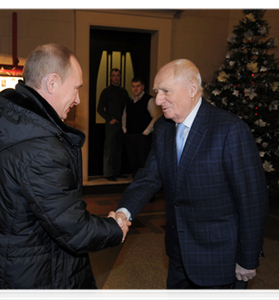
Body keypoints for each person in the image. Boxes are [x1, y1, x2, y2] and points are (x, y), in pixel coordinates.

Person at [0, 44, 131, 300]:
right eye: (76, 88)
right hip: (27, 280)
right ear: (52, 83)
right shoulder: (40, 147)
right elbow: (73, 228)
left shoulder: (5, 123)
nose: (77, 99)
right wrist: (114, 228)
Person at [113, 59, 269, 299]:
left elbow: (252, 200)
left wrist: (248, 259)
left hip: (219, 259)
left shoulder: (229, 130)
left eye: (166, 91)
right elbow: (149, 176)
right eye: (156, 92)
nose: (158, 100)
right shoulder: (164, 128)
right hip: (178, 254)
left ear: (192, 89)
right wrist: (124, 212)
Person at [122, 77, 162, 178]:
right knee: (134, 165)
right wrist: (124, 130)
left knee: (144, 165)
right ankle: (137, 189)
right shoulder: (129, 101)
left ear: (143, 87)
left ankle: (147, 192)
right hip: (130, 137)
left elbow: (157, 117)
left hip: (143, 138)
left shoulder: (149, 100)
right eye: (133, 86)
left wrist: (146, 132)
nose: (135, 89)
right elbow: (124, 116)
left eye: (138, 86)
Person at [97, 68, 129, 181]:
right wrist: (109, 119)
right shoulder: (106, 91)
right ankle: (108, 173)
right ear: (110, 77)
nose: (116, 77)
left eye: (118, 75)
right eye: (114, 75)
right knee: (109, 149)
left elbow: (128, 107)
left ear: (120, 77)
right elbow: (99, 109)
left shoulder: (124, 91)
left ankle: (116, 172)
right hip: (111, 124)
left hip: (122, 124)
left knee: (118, 149)